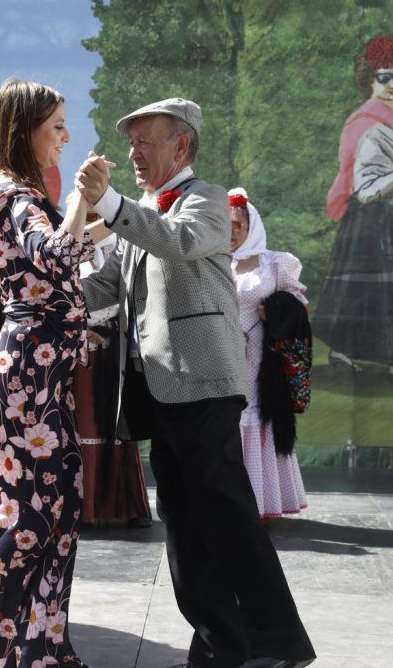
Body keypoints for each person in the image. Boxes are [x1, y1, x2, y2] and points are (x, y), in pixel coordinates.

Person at [77, 97, 315, 668]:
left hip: (203, 382)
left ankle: (278, 643)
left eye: (144, 141)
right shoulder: (144, 212)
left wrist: (107, 204)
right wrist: (38, 298)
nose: (133, 153)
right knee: (183, 525)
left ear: (180, 145)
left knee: (227, 513)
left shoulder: (204, 200)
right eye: (130, 143)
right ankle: (218, 644)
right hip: (160, 390)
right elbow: (105, 286)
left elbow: (175, 241)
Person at [0, 79, 95, 668]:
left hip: (40, 371)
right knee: (36, 508)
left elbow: (57, 257)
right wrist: (84, 201)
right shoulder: (13, 192)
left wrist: (108, 221)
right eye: (57, 126)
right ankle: (0, 625)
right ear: (26, 130)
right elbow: (56, 256)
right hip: (27, 371)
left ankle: (41, 639)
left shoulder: (21, 193)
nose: (66, 138)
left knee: (61, 504)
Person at [315, 33, 393, 382]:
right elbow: (364, 188)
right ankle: (345, 352)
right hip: (372, 223)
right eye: (385, 77)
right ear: (370, 79)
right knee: (367, 294)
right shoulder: (365, 122)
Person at [229, 188, 309, 520]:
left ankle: (261, 501)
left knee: (255, 416)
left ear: (252, 225)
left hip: (261, 362)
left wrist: (274, 311)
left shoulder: (275, 263)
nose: (230, 232)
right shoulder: (212, 261)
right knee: (227, 420)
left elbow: (299, 309)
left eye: (237, 225)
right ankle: (229, 500)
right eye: (224, 225)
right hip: (224, 359)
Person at [75, 231, 152, 529]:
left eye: (97, 217)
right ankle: (85, 506)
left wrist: (108, 329)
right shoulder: (68, 250)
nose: (91, 223)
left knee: (118, 421)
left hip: (116, 349)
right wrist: (81, 330)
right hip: (78, 353)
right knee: (83, 422)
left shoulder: (120, 249)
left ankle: (127, 505)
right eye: (86, 216)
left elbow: (135, 292)